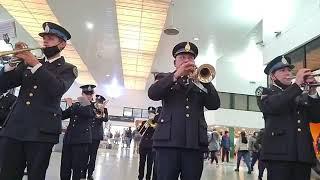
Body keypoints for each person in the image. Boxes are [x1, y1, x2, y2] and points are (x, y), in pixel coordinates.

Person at [0, 22, 77, 179]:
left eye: (50, 38)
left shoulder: (68, 69)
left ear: (62, 45)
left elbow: (57, 89)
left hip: (41, 133)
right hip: (15, 128)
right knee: (7, 174)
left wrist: (34, 63)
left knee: (36, 175)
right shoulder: (29, 62)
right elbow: (4, 85)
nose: (45, 41)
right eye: (44, 38)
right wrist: (12, 62)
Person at [148, 41, 220, 180]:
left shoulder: (200, 82)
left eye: (190, 58)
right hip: (168, 143)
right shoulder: (165, 78)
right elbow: (153, 94)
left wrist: (205, 82)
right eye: (182, 57)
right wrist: (176, 75)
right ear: (175, 62)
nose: (187, 60)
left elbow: (214, 104)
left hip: (194, 144)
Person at [256, 55, 320, 180]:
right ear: (272, 76)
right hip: (278, 156)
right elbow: (274, 105)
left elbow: (316, 117)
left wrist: (312, 92)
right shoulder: (265, 92)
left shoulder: (300, 94)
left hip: (302, 156)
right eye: (282, 70)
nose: (287, 73)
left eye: (289, 70)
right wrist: (297, 85)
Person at [60, 85, 95, 180]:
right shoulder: (76, 105)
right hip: (69, 139)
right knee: (65, 166)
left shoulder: (92, 106)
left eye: (90, 94)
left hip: (81, 141)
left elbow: (87, 113)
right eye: (86, 94)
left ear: (92, 95)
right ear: (82, 94)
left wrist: (71, 104)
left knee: (77, 167)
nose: (88, 96)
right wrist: (55, 102)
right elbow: (62, 115)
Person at [82, 94, 108, 180]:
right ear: (95, 100)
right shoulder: (90, 106)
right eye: (97, 101)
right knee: (85, 155)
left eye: (100, 102)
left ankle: (90, 174)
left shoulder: (104, 109)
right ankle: (83, 173)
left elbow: (105, 119)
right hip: (87, 134)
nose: (98, 103)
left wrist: (102, 111)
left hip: (96, 136)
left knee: (93, 156)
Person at [137, 106, 157, 180]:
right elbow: (140, 132)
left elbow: (157, 132)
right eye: (149, 113)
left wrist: (153, 124)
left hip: (151, 146)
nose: (150, 114)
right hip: (143, 145)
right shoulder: (144, 122)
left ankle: (148, 178)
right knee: (141, 162)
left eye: (152, 113)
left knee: (150, 164)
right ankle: (140, 177)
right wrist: (145, 126)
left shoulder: (156, 123)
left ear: (155, 114)